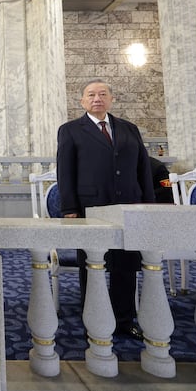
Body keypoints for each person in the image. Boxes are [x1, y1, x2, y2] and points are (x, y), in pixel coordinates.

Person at [57, 78, 155, 340]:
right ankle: (94, 316)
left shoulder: (129, 129)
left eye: (102, 94)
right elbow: (65, 173)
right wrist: (69, 209)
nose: (97, 98)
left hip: (129, 206)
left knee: (126, 264)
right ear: (82, 101)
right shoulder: (70, 130)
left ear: (111, 99)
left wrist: (148, 203)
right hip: (91, 207)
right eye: (91, 94)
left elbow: (143, 168)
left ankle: (124, 319)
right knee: (93, 264)